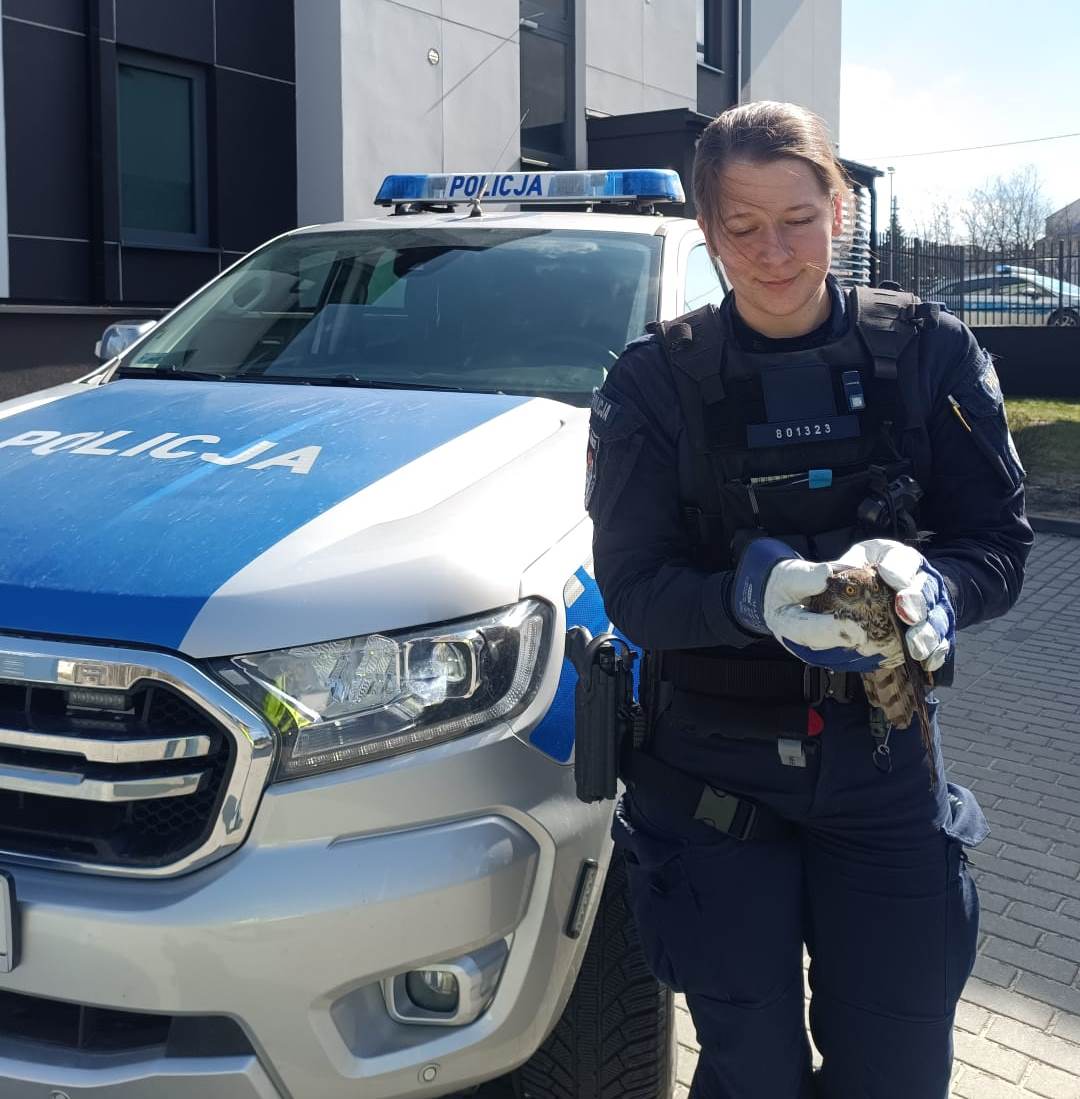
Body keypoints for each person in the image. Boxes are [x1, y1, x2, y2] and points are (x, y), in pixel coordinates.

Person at [586, 101, 1032, 1099]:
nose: (775, 252)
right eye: (743, 227)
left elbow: (999, 545)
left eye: (798, 218)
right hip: (711, 780)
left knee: (897, 1070)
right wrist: (750, 597)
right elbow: (635, 589)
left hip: (883, 766)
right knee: (751, 1073)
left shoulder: (928, 352)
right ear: (709, 231)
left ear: (838, 210)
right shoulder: (654, 382)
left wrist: (937, 588)